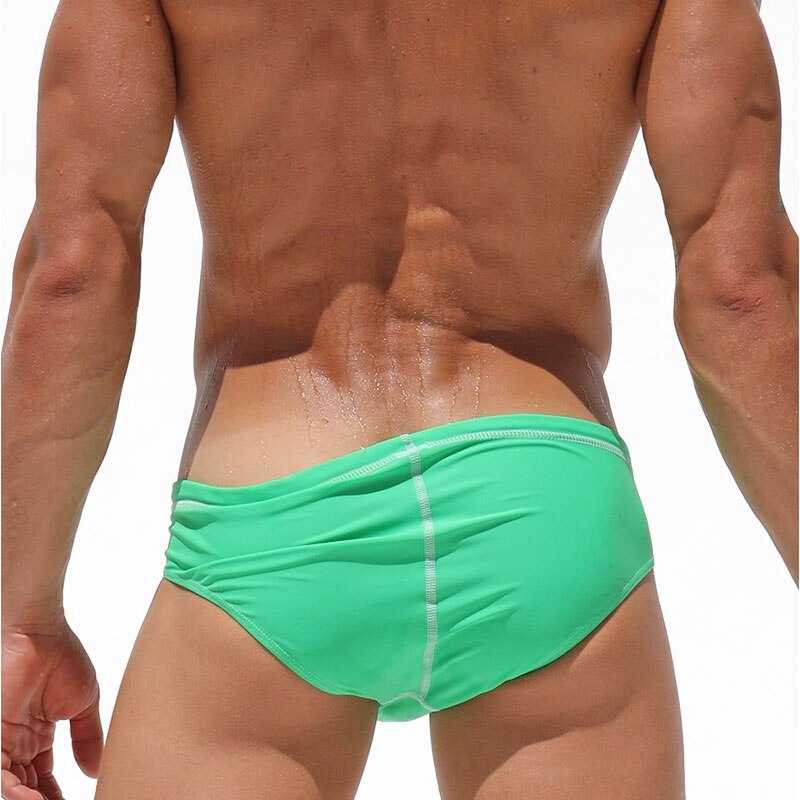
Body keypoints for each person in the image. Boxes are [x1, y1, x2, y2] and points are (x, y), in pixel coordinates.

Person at [2, 0, 796, 797]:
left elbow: (73, 271)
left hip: (272, 509)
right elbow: (740, 287)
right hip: (542, 503)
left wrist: (20, 624)